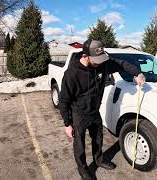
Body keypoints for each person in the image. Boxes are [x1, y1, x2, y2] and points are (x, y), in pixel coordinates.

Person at [59, 39, 145, 180]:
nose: (100, 62)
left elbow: (121, 64)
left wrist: (137, 73)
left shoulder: (102, 64)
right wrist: (67, 123)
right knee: (79, 145)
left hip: (94, 111)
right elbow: (64, 100)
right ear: (85, 56)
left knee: (98, 138)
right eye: (96, 59)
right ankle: (83, 169)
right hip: (79, 114)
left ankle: (99, 160)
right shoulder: (72, 74)